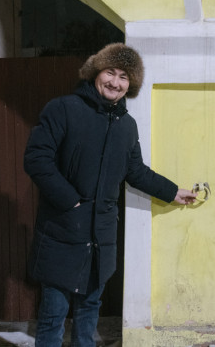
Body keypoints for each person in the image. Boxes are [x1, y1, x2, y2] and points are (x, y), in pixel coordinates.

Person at [24, 43, 196, 347]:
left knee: (89, 310)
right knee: (54, 313)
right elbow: (37, 159)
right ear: (95, 73)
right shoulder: (63, 109)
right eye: (110, 72)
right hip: (62, 230)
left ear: (131, 85)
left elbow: (136, 171)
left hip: (100, 236)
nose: (115, 82)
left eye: (124, 77)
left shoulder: (127, 126)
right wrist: (70, 200)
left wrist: (172, 192)